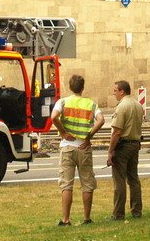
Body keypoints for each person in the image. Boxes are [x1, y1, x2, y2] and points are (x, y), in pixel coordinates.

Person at [50, 74, 104, 226]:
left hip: (67, 146)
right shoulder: (91, 104)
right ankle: (87, 218)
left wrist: (63, 132)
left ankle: (66, 219)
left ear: (70, 87)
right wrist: (89, 136)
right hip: (84, 147)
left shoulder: (63, 102)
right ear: (83, 88)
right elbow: (101, 120)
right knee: (87, 183)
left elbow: (54, 117)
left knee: (67, 184)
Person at [106, 80, 144, 219]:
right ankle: (136, 210)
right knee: (134, 179)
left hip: (123, 146)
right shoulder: (138, 105)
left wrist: (110, 151)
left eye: (115, 90)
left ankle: (118, 213)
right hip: (135, 144)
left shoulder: (122, 107)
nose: (113, 93)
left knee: (119, 180)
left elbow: (116, 131)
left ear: (122, 91)